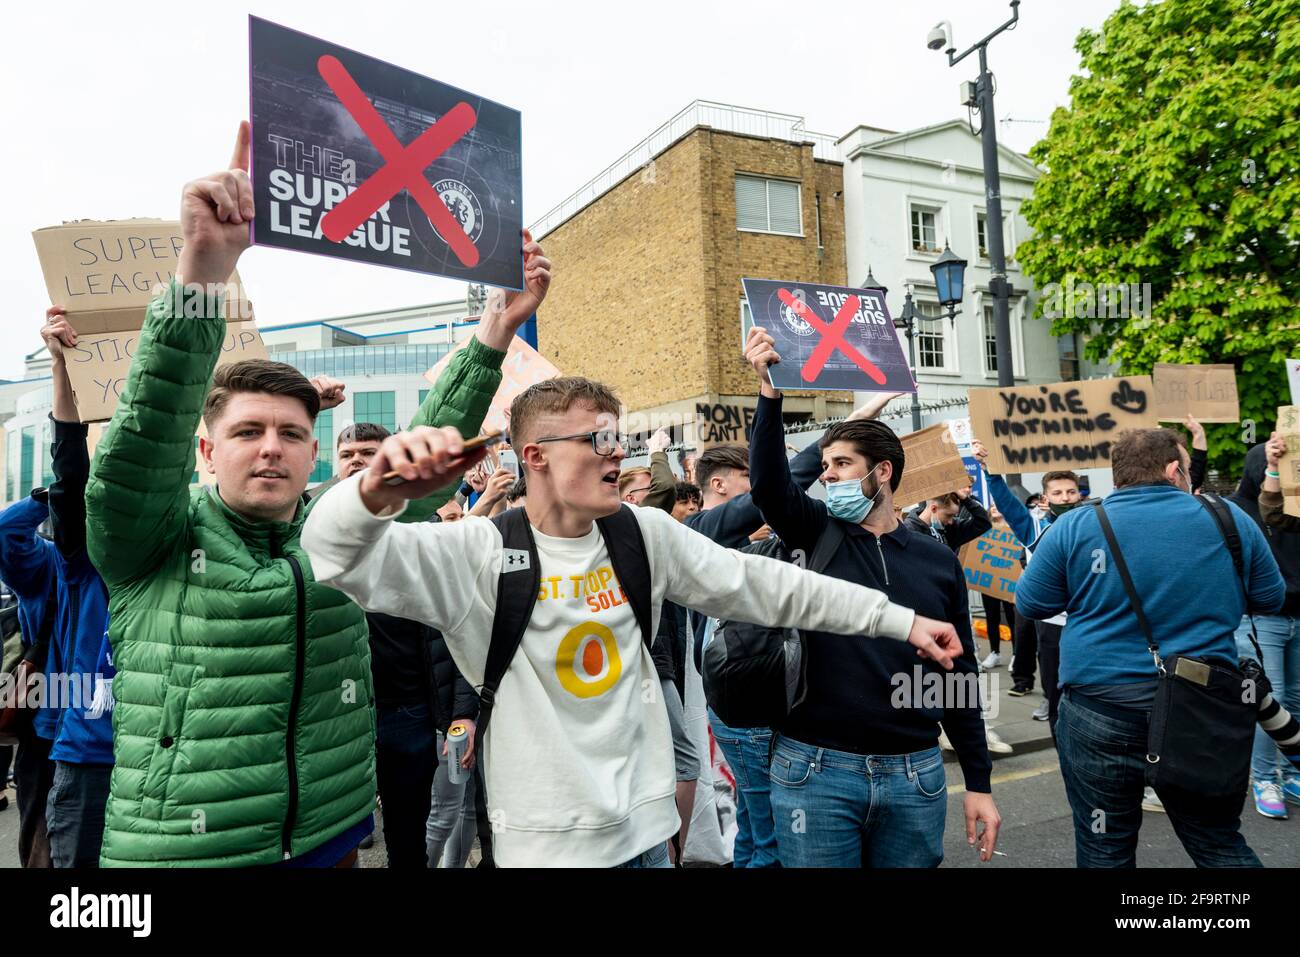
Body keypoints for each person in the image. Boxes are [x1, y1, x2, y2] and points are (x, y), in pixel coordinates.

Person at [83, 124, 546, 866]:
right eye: (248, 432)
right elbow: (146, 435)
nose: (271, 446)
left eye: (292, 434)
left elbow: (419, 454)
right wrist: (204, 275)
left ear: (311, 451)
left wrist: (493, 331)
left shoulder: (339, 532)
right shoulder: (149, 538)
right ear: (204, 450)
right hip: (190, 852)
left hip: (331, 833)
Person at [302, 374, 962, 868]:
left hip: (649, 839)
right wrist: (376, 489)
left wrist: (896, 619)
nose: (618, 455)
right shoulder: (474, 550)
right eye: (600, 440)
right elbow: (330, 554)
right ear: (535, 456)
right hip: (544, 847)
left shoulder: (641, 533)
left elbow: (763, 583)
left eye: (621, 438)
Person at [743, 326, 999, 866]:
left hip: (915, 775)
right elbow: (769, 487)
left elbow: (959, 672)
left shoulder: (936, 560)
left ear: (882, 472)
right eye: (826, 465)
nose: (827, 476)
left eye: (841, 465)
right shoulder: (815, 533)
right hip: (815, 770)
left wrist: (978, 781)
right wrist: (769, 391)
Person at [1016, 428, 1284, 867]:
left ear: (1117, 475)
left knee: (1104, 844)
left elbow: (1032, 602)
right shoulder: (1229, 518)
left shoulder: (1077, 525)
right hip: (1200, 711)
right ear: (1174, 469)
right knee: (1217, 842)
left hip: (1099, 712)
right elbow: (1269, 598)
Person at [35, 308, 114, 868]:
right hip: (91, 757)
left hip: (169, 762)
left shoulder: (186, 549)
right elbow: (70, 476)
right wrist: (64, 367)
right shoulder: (87, 561)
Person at [976, 443, 1084, 730]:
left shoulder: (1096, 523)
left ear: (1080, 494)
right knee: (1056, 694)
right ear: (1046, 498)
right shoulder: (1034, 528)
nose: (1065, 497)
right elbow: (1007, 503)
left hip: (1090, 622)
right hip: (1053, 625)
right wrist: (990, 470)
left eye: (1071, 491)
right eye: (1058, 492)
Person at [1232, 432, 1300, 817]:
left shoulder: (1297, 505)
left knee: (1296, 700)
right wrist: (1273, 464)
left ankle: (1291, 772)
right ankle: (1264, 778)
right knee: (1268, 702)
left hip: (1297, 617)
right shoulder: (1239, 509)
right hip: (1260, 620)